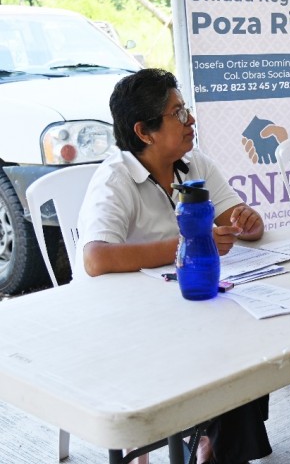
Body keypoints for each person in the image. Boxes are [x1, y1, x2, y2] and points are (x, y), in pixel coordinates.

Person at [76, 68, 272, 464]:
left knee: (250, 335)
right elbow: (96, 258)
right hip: (128, 321)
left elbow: (235, 217)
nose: (191, 121)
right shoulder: (115, 178)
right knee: (225, 346)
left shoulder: (193, 162)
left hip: (187, 305)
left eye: (187, 111)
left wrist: (247, 222)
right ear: (145, 131)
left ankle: (214, 442)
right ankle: (212, 440)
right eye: (178, 114)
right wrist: (186, 244)